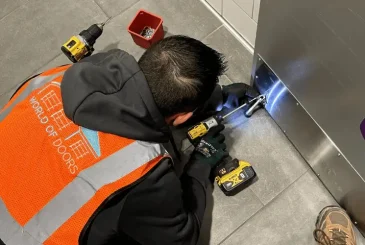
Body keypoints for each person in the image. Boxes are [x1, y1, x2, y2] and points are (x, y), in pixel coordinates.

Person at [0, 35, 256, 245]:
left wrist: (215, 98)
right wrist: (201, 163)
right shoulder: (143, 174)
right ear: (182, 117)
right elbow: (181, 239)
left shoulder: (60, 76)